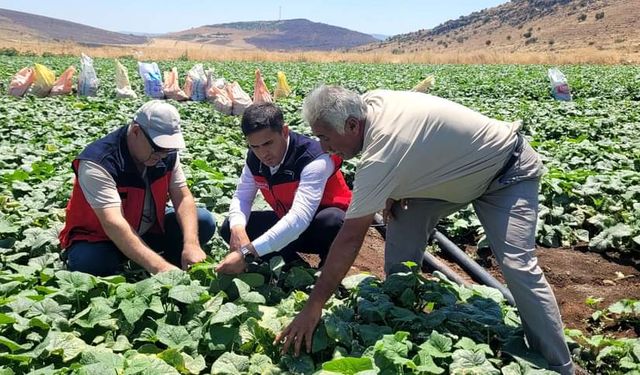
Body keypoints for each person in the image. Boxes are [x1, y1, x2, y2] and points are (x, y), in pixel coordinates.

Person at [275, 86, 575, 374]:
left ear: (352, 125)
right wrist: (396, 185)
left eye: (325, 138)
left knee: (517, 265)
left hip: (506, 172)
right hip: (452, 177)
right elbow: (416, 140)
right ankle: (399, 310)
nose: (325, 148)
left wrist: (314, 307)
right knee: (402, 220)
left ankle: (559, 365)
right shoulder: (369, 104)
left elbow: (351, 237)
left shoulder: (381, 151)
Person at [58, 100, 216, 276]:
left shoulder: (165, 154)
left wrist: (191, 243)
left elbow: (183, 197)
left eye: (168, 149)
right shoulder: (98, 163)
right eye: (158, 148)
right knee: (91, 263)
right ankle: (151, 260)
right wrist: (160, 268)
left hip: (148, 228)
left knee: (203, 221)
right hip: (102, 237)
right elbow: (114, 224)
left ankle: (168, 257)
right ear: (135, 132)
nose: (163, 155)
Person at [215, 103, 352, 274]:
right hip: (287, 223)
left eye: (268, 143)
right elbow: (242, 197)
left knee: (333, 220)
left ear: (285, 131)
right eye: (255, 146)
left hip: (320, 229)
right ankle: (293, 267)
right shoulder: (254, 159)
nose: (263, 153)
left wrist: (246, 252)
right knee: (230, 225)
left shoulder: (314, 159)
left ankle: (329, 270)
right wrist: (238, 229)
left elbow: (299, 218)